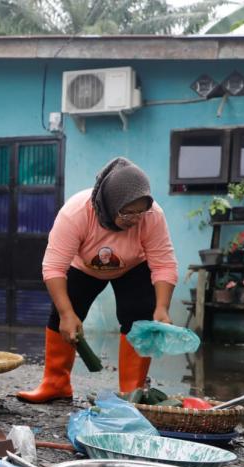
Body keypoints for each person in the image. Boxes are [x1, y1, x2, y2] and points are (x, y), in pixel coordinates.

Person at [17, 158, 178, 403]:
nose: (135, 219)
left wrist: (162, 308)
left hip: (134, 266)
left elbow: (164, 263)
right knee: (61, 316)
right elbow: (53, 267)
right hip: (83, 267)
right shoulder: (76, 212)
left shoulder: (152, 216)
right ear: (111, 203)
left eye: (140, 212)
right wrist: (66, 313)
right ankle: (56, 383)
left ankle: (131, 393)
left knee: (139, 317)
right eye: (127, 212)